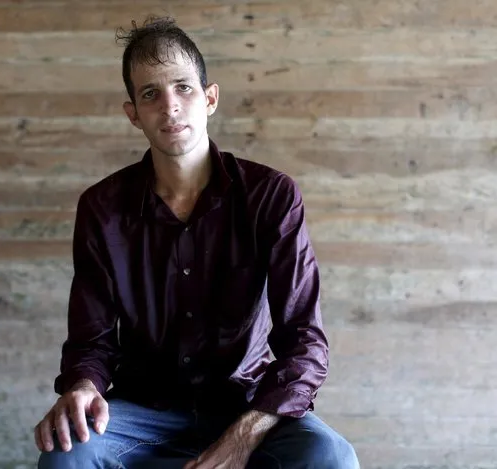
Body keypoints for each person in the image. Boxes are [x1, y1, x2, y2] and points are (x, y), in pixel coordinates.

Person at [34, 15, 359, 469]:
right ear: (133, 113)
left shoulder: (271, 195)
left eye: (183, 87)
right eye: (150, 94)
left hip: (248, 404)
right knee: (67, 454)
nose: (169, 106)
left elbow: (304, 342)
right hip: (143, 410)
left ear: (209, 98)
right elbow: (93, 339)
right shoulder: (102, 208)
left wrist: (242, 438)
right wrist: (83, 387)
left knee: (332, 457)